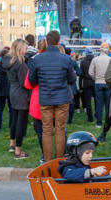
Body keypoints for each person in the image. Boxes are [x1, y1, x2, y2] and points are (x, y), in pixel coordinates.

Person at [28, 30, 77, 162]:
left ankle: (48, 161)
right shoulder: (66, 59)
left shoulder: (37, 59)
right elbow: (72, 79)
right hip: (62, 98)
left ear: (47, 42)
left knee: (46, 130)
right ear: (59, 41)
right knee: (60, 129)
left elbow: (32, 81)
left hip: (45, 99)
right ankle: (60, 160)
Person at [4, 39, 31, 159]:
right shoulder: (20, 63)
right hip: (21, 94)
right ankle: (18, 152)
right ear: (20, 49)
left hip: (13, 92)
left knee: (14, 120)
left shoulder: (10, 61)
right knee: (21, 122)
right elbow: (25, 83)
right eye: (25, 48)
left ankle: (12, 144)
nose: (26, 51)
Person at [25, 39, 46, 163]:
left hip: (38, 99)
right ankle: (62, 153)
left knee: (40, 129)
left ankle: (45, 154)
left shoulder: (34, 61)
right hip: (56, 99)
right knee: (59, 129)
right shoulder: (59, 59)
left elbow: (28, 84)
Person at [90, 43, 111, 129]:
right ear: (108, 50)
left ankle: (98, 123)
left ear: (100, 50)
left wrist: (95, 78)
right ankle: (108, 122)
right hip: (108, 83)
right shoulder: (110, 59)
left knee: (99, 104)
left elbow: (90, 72)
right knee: (108, 104)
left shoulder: (95, 59)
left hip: (98, 83)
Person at [0, 49, 12, 131]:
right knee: (11, 110)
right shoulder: (11, 65)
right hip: (9, 89)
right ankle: (11, 126)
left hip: (0, 89)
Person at [80, 48, 95, 123]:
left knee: (88, 101)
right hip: (95, 81)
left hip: (86, 82)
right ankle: (97, 115)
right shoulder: (95, 60)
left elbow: (81, 75)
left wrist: (80, 86)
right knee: (97, 100)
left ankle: (90, 118)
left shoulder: (83, 61)